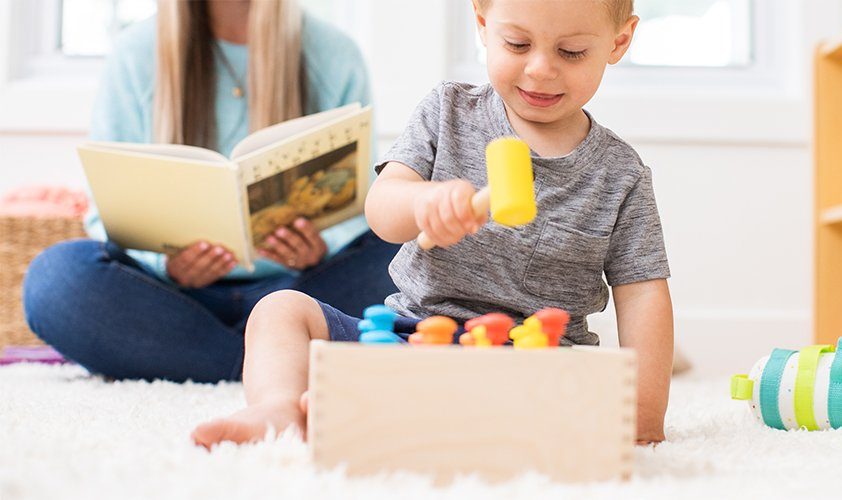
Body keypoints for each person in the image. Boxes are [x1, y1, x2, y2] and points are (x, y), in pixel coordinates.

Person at [191, 0, 674, 447]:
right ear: (483, 25)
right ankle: (279, 408)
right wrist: (423, 201)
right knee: (279, 309)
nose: (540, 68)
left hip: (530, 360)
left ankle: (382, 411)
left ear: (618, 42)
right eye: (518, 44)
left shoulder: (621, 175)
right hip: (412, 335)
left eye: (570, 52)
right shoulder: (448, 112)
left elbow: (644, 293)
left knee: (540, 403)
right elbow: (382, 209)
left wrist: (644, 414)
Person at [22, 0, 399, 383]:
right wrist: (166, 264)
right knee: (55, 279)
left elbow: (364, 202)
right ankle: (268, 358)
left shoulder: (333, 53)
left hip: (301, 294)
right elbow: (105, 212)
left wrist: (319, 245)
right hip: (172, 300)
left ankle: (219, 357)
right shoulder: (135, 53)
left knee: (404, 252)